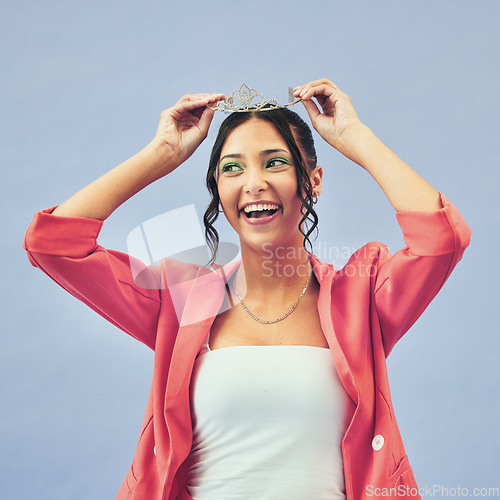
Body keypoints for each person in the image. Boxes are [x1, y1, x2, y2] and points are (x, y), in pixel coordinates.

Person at [24, 78, 471, 499]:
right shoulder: (179, 299)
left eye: (274, 162)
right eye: (232, 168)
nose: (253, 182)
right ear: (219, 192)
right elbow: (53, 245)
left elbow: (441, 240)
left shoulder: (362, 295)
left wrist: (355, 136)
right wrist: (160, 153)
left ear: (312, 182)